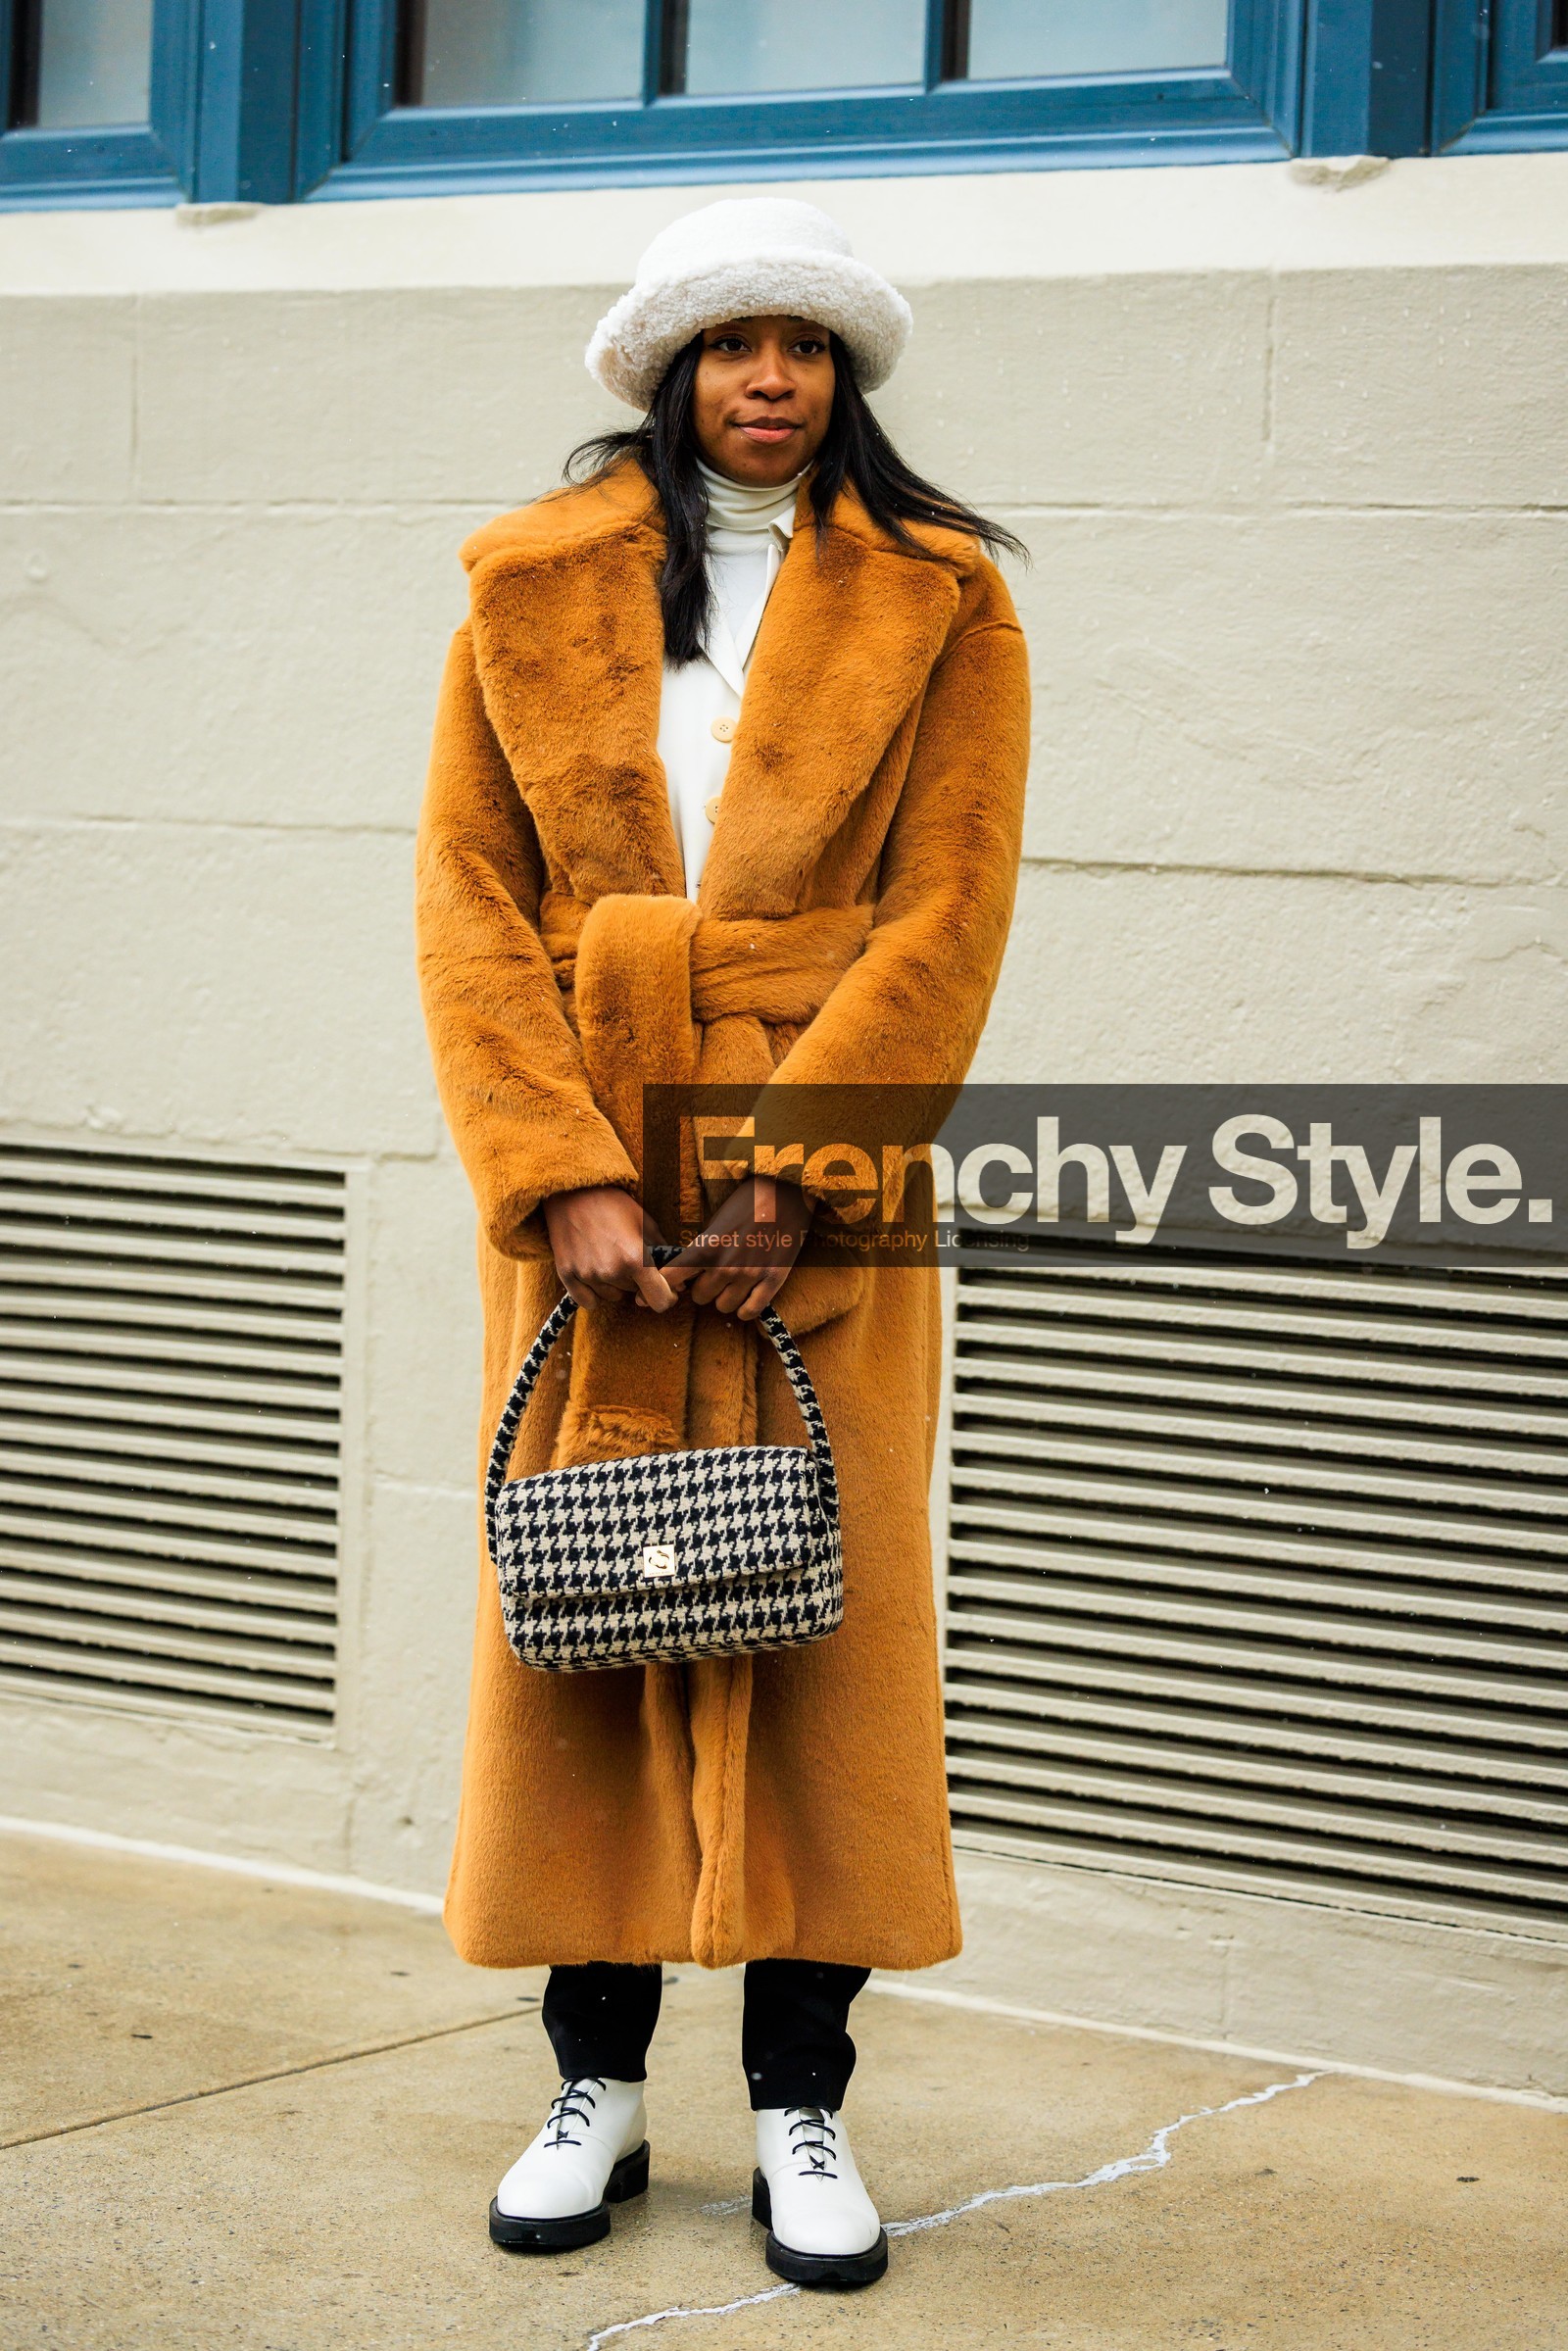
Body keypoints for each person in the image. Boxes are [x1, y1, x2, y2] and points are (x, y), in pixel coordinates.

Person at [415, 196, 1030, 2290]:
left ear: (845, 377)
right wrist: (561, 1168)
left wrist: (795, 1178)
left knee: (813, 1626)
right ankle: (591, 2079)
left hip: (817, 1175)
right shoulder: (526, 586)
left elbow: (948, 912)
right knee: (589, 1622)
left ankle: (799, 2101)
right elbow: (465, 901)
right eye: (728, 343)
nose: (768, 377)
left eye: (804, 344)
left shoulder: (939, 602)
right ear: (665, 371)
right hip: (582, 1153)